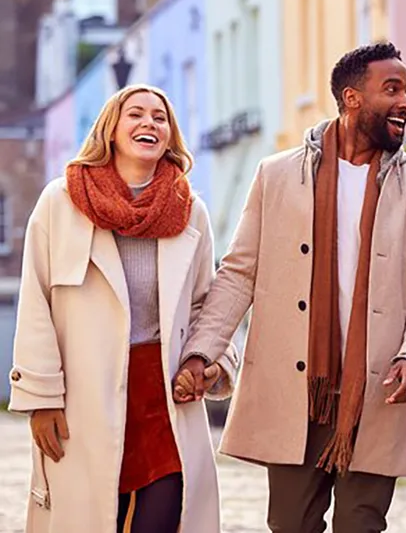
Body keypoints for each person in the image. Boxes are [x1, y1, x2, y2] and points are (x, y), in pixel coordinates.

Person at [174, 41, 406, 533]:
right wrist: (203, 350)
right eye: (392, 89)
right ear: (352, 98)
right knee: (290, 524)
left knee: (361, 525)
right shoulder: (276, 175)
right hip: (295, 391)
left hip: (374, 393)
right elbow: (239, 273)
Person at [7, 84, 238, 533]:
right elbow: (37, 303)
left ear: (170, 137)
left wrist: (209, 363)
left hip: (165, 401)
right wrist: (41, 399)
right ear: (111, 129)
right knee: (91, 519)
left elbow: (207, 305)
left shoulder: (190, 212)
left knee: (165, 517)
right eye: (136, 114)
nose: (148, 123)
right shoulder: (61, 202)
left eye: (160, 117)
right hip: (83, 399)